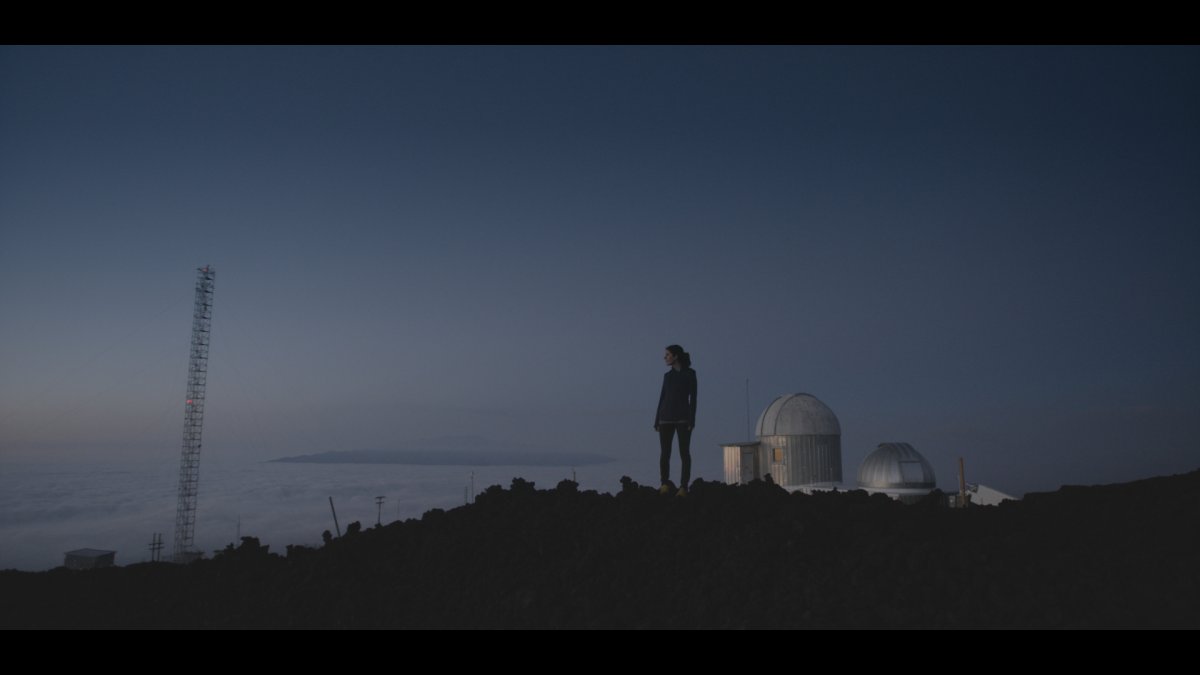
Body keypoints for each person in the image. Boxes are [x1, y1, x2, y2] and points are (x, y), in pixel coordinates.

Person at [655, 344, 697, 497]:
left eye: (667, 355)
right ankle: (664, 483)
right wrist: (656, 420)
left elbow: (693, 398)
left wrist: (692, 420)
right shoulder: (667, 376)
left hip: (683, 419)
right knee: (665, 453)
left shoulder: (690, 374)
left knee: (684, 453)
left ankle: (683, 487)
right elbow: (662, 398)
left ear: (676, 356)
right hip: (665, 418)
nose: (665, 358)